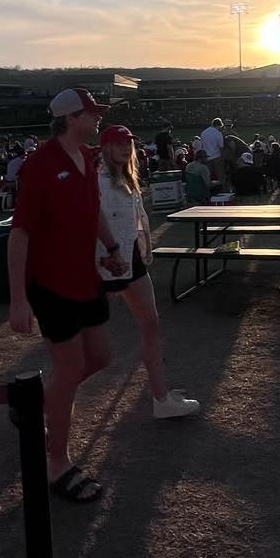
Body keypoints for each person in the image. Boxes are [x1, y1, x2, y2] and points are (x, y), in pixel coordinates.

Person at [8, 88, 125, 504]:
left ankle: (38, 405)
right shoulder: (40, 165)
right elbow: (19, 233)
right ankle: (57, 463)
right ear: (72, 119)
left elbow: (92, 212)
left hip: (86, 277)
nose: (97, 121)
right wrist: (18, 299)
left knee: (101, 358)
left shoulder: (88, 160)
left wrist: (111, 250)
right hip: (51, 285)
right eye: (92, 115)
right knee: (71, 370)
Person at [97, 125, 199, 418]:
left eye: (127, 143)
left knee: (151, 325)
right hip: (107, 261)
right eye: (117, 144)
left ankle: (161, 397)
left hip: (131, 258)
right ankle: (52, 403)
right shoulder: (99, 181)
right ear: (105, 147)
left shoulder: (127, 177)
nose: (124, 148)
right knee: (90, 349)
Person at [200, 117, 225, 186]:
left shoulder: (203, 132)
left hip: (206, 157)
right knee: (221, 177)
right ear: (219, 125)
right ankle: (223, 191)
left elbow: (201, 146)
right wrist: (223, 158)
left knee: (207, 177)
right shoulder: (218, 133)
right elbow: (221, 147)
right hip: (217, 157)